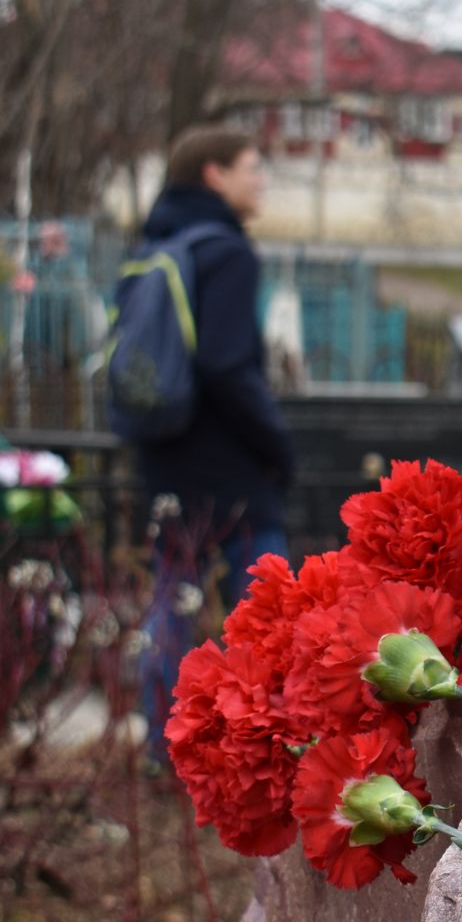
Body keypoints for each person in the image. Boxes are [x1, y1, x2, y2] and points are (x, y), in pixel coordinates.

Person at [133, 125, 293, 757]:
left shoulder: (155, 244)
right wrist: (277, 445)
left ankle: (161, 746)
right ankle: (271, 746)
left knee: (171, 597)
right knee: (268, 611)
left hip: (165, 453)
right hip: (230, 464)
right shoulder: (225, 251)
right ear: (214, 175)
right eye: (252, 167)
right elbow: (229, 366)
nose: (261, 181)